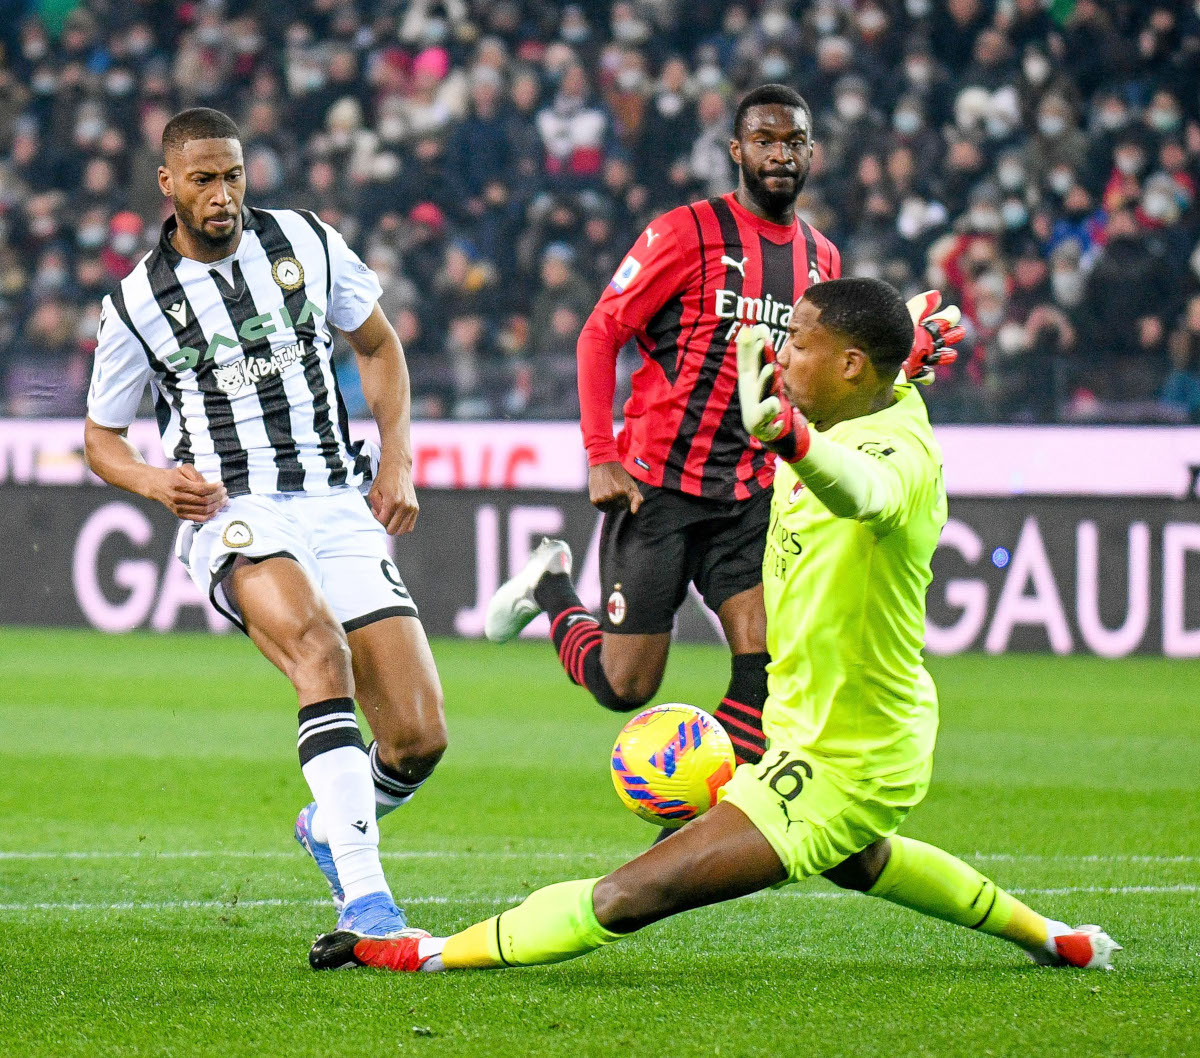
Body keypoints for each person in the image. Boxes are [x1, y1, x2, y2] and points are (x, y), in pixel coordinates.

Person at [309, 277, 1118, 974]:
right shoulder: (865, 392)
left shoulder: (893, 461)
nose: (777, 353)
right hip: (816, 725)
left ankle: (424, 952)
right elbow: (873, 365)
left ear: (845, 367)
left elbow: (862, 492)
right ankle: (1055, 939)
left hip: (849, 758)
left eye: (796, 343)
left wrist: (791, 439)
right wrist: (892, 351)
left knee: (633, 894)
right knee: (861, 861)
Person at [484, 84, 959, 774]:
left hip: (751, 492)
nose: (780, 154)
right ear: (737, 150)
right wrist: (600, 453)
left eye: (794, 142)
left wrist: (901, 362)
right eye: (764, 140)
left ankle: (697, 833)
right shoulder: (684, 232)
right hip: (660, 484)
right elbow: (600, 333)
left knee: (765, 663)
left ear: (812, 153)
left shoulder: (822, 259)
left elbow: (827, 371)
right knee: (626, 686)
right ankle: (549, 589)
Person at [82, 108, 446, 946]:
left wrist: (397, 460)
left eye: (234, 175)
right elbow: (102, 440)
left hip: (337, 499)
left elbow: (379, 344)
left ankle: (329, 826)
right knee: (319, 652)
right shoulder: (138, 303)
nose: (223, 194)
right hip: (234, 509)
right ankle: (367, 901)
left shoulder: (307, 241)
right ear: (168, 185)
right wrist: (150, 478)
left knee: (419, 737)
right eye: (203, 179)